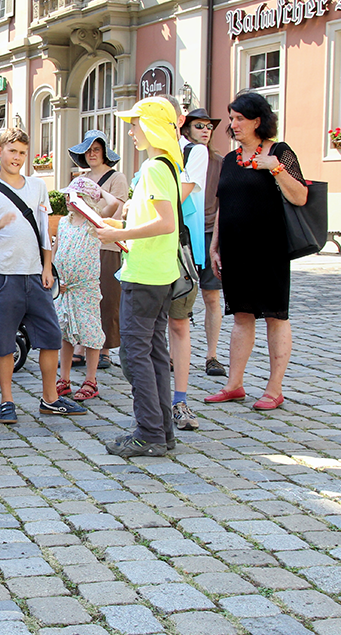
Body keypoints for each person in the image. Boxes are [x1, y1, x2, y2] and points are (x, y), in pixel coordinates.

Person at [0, 128, 87, 424]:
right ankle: (6, 400)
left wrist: (47, 267)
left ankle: (50, 398)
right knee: (6, 342)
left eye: (23, 153)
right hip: (3, 276)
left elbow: (44, 230)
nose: (17, 158)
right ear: (0, 152)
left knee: (50, 337)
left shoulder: (37, 186)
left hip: (35, 275)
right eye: (12, 151)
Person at [206, 91, 307, 411]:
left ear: (257, 121)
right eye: (231, 118)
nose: (232, 124)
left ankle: (274, 389)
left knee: (276, 316)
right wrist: (215, 244)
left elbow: (301, 196)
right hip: (235, 249)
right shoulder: (231, 160)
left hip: (269, 249)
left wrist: (274, 168)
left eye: (239, 119)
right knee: (241, 315)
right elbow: (224, 204)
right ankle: (234, 384)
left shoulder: (280, 152)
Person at [96, 97, 182, 457]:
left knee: (135, 356)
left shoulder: (153, 169)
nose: (131, 132)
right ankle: (161, 431)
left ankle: (149, 432)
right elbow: (154, 221)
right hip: (158, 274)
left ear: (150, 126)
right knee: (155, 354)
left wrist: (119, 236)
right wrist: (118, 225)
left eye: (135, 125)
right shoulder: (166, 165)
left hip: (145, 276)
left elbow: (165, 223)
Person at [67, 130, 128, 369]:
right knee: (83, 299)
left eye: (96, 150)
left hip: (107, 244)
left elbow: (117, 210)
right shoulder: (80, 178)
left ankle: (104, 349)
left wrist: (96, 215)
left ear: (104, 153)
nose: (92, 154)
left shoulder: (117, 178)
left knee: (107, 298)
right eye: (89, 150)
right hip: (83, 245)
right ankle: (82, 346)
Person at [167, 103, 211, 432]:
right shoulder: (151, 155)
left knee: (179, 324)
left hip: (181, 249)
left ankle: (179, 399)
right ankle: (152, 400)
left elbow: (178, 197)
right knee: (150, 328)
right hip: (150, 250)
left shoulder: (194, 152)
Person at [54, 177, 118, 402]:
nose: (68, 200)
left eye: (73, 196)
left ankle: (91, 380)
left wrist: (97, 190)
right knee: (65, 331)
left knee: (90, 332)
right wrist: (54, 277)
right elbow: (56, 251)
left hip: (85, 286)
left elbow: (114, 204)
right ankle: (64, 378)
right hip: (65, 287)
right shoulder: (64, 222)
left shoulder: (94, 222)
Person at [181, 108, 227, 377]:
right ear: (186, 130)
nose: (206, 131)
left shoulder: (219, 162)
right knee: (178, 295)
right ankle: (175, 353)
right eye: (199, 126)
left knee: (211, 296)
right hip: (182, 233)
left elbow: (224, 202)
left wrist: (218, 241)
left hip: (209, 233)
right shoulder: (177, 157)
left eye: (209, 127)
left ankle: (212, 355)